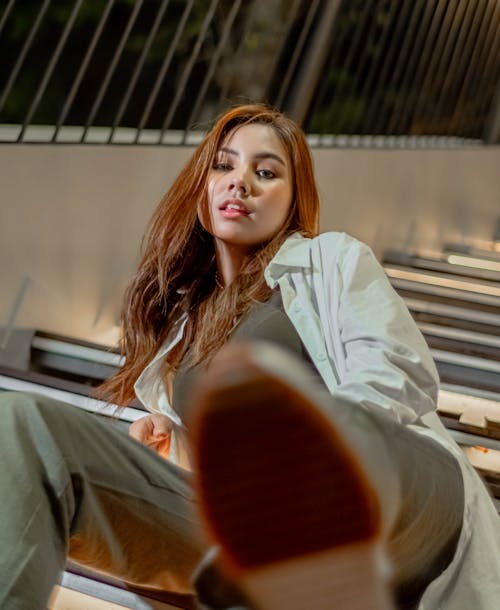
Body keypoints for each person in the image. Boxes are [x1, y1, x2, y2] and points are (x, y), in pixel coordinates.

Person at [0, 104, 499, 610]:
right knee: (21, 423)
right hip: (263, 524)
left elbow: (398, 372)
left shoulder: (331, 261)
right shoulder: (184, 327)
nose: (240, 183)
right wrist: (167, 457)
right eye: (224, 166)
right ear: (202, 186)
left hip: (403, 502)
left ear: (293, 200)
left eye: (265, 172)